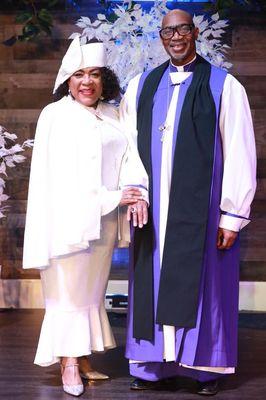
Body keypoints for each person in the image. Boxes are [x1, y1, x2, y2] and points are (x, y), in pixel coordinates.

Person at [119, 9, 257, 396]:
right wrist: (136, 191)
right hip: (152, 210)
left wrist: (232, 214)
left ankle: (202, 368)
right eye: (168, 31)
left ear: (195, 32)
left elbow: (240, 152)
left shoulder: (224, 86)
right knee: (152, 282)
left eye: (182, 29)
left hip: (202, 211)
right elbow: (128, 146)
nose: (175, 37)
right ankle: (150, 366)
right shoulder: (141, 85)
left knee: (204, 287)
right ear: (160, 37)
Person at [23, 37, 148, 397]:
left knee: (91, 295)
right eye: (79, 74)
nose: (87, 81)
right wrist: (112, 196)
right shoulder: (55, 115)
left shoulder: (112, 113)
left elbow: (128, 157)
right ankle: (68, 364)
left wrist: (132, 190)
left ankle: (82, 357)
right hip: (67, 223)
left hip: (104, 223)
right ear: (67, 78)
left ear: (104, 79)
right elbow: (58, 178)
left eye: (94, 74)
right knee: (67, 296)